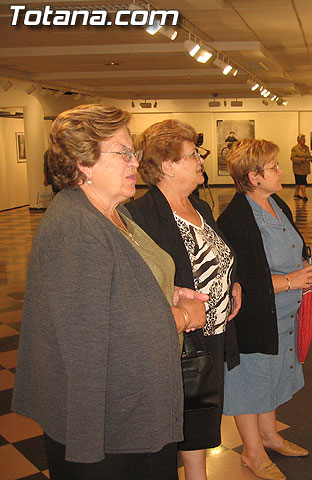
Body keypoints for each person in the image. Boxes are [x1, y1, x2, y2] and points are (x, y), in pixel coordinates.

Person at [12, 104, 207, 480]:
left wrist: (168, 291)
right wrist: (184, 316)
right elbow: (91, 336)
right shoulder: (78, 230)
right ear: (83, 163)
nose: (135, 161)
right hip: (110, 427)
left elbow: (125, 286)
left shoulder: (116, 213)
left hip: (134, 406)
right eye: (123, 152)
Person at [125, 119, 242, 480]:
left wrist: (232, 283)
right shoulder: (142, 216)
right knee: (186, 417)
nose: (201, 160)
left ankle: (198, 475)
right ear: (168, 166)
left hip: (214, 333)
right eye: (193, 155)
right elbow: (144, 285)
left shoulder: (199, 207)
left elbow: (218, 255)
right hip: (182, 340)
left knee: (202, 417)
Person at [218, 139, 312, 480]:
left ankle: (270, 434)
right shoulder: (237, 218)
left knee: (273, 376)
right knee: (250, 383)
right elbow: (243, 280)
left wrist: (303, 267)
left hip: (283, 315)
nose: (281, 171)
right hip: (255, 317)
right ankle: (252, 452)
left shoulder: (276, 203)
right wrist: (292, 280)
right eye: (274, 167)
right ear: (254, 176)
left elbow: (290, 245)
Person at [290, 133, 312, 201]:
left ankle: (296, 194)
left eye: (304, 139)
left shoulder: (306, 147)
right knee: (302, 182)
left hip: (305, 169)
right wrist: (301, 160)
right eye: (303, 140)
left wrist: (311, 159)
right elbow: (292, 158)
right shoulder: (294, 149)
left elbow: (309, 155)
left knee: (298, 182)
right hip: (298, 169)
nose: (304, 141)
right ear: (299, 141)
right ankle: (304, 196)